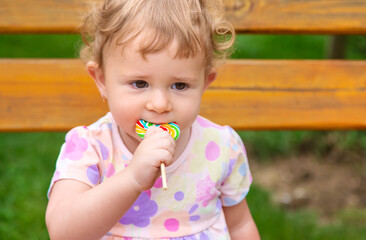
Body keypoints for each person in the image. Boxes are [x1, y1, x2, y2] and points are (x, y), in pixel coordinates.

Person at [45, 0, 260, 239]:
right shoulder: (91, 147)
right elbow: (63, 232)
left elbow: (240, 225)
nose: (159, 105)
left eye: (180, 85)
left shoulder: (221, 146)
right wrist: (132, 178)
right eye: (140, 83)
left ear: (204, 83)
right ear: (102, 80)